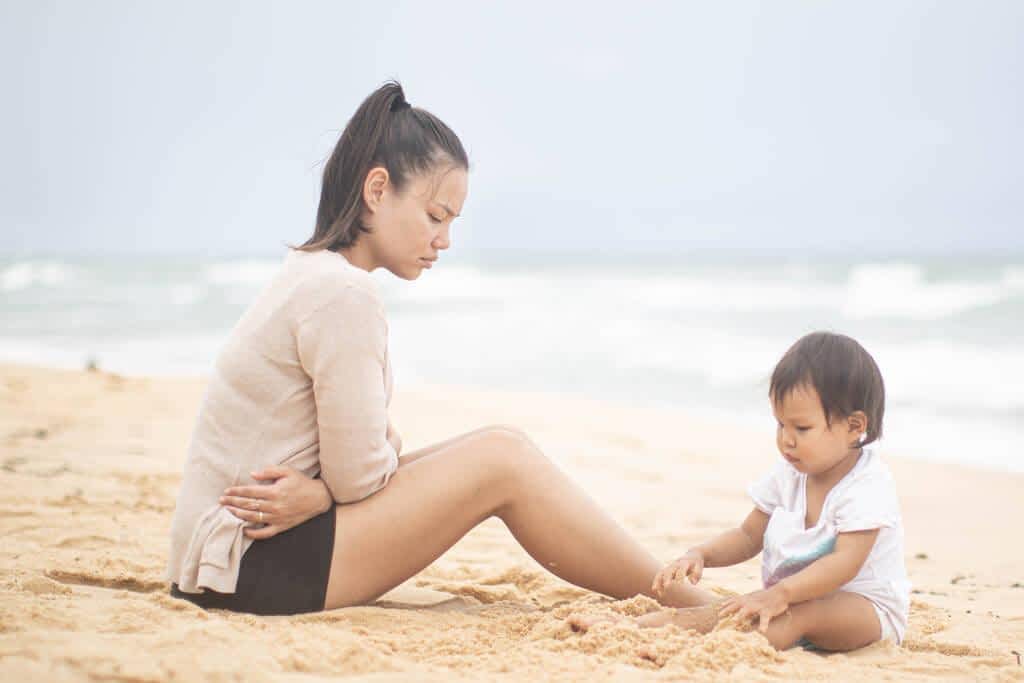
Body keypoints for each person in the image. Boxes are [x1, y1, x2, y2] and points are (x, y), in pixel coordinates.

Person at [166, 81, 713, 616]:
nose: (444, 240)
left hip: (231, 557)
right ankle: (684, 601)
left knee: (504, 444)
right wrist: (329, 491)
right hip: (248, 565)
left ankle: (675, 592)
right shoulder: (342, 293)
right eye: (434, 217)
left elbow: (356, 464)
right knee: (504, 462)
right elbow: (358, 476)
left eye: (451, 222)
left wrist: (324, 490)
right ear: (377, 190)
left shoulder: (313, 273)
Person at [570, 332, 911, 652]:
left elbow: (844, 563)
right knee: (734, 609)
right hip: (788, 598)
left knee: (801, 613)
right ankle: (646, 627)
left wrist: (783, 592)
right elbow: (749, 535)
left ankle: (700, 645)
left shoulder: (867, 485)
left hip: (865, 610)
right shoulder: (790, 474)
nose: (786, 439)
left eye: (802, 428)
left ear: (854, 427)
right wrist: (700, 554)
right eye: (780, 424)